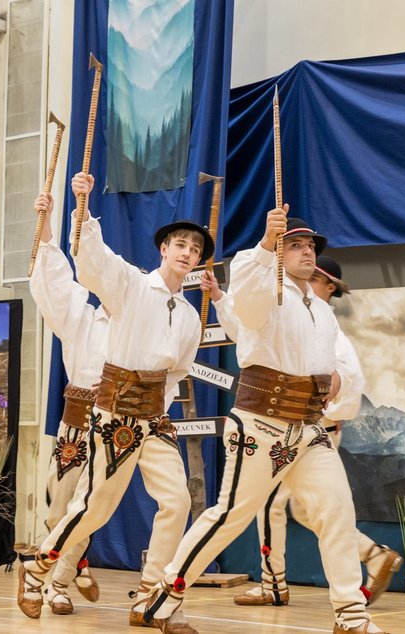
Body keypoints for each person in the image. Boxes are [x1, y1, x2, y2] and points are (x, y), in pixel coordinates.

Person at [144, 212, 386, 634]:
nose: (308, 250)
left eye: (311, 246)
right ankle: (164, 597)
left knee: (337, 511)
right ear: (277, 253)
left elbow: (335, 370)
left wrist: (339, 382)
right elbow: (248, 300)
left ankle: (351, 615)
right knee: (230, 516)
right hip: (262, 422)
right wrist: (264, 243)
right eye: (296, 245)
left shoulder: (320, 312)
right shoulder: (264, 289)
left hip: (309, 427)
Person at [17, 172, 210, 632]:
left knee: (178, 501)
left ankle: (150, 596)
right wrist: (81, 205)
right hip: (115, 411)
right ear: (163, 249)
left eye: (196, 249)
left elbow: (179, 370)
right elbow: (93, 260)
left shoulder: (188, 316)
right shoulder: (131, 286)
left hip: (154, 415)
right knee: (93, 507)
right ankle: (40, 566)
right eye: (180, 245)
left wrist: (156, 405)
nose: (187, 253)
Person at [200, 256, 402, 608]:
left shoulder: (324, 323)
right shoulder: (292, 315)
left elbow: (349, 378)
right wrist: (219, 297)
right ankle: (371, 555)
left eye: (317, 279)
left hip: (307, 431)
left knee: (267, 504)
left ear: (327, 286)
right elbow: (249, 331)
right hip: (297, 428)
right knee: (307, 511)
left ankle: (273, 584)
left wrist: (320, 410)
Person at [25, 191, 110, 615]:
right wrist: (47, 220)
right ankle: (74, 567)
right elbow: (54, 280)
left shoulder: (140, 319)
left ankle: (58, 581)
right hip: (77, 419)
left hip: (118, 423)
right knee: (61, 504)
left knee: (91, 506)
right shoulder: (83, 317)